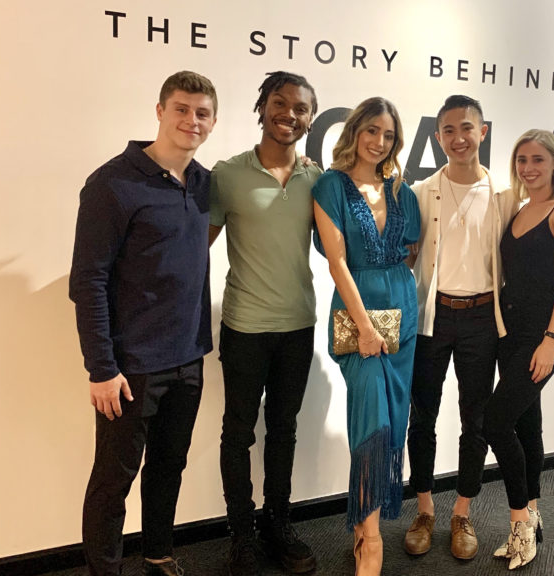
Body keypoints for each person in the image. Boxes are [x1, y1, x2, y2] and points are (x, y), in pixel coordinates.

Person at [69, 70, 218, 576]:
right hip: (129, 369)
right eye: (181, 108)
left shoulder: (204, 184)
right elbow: (87, 281)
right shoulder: (112, 183)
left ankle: (158, 553)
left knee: (168, 468)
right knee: (113, 481)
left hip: (188, 360)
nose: (191, 121)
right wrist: (101, 368)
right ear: (159, 111)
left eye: (202, 113)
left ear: (213, 121)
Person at [209, 71, 321, 576]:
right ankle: (241, 536)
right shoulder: (227, 174)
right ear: (262, 107)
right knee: (238, 433)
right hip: (245, 326)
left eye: (301, 108)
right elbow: (193, 250)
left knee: (284, 430)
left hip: (299, 325)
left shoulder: (317, 179)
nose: (289, 114)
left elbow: (345, 248)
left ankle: (279, 525)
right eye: (281, 103)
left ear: (311, 118)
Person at [404, 95, 517, 560]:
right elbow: (406, 254)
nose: (458, 138)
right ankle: (426, 509)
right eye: (448, 130)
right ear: (437, 137)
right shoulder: (420, 190)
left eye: (466, 128)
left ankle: (462, 513)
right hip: (432, 316)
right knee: (423, 416)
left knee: (476, 419)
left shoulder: (504, 195)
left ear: (483, 131)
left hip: (480, 318)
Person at [312, 97, 421, 576]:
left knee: (395, 420)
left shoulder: (403, 191)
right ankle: (371, 538)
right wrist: (365, 325)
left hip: (403, 311)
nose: (380, 142)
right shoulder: (330, 186)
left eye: (390, 136)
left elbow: (409, 252)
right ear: (355, 131)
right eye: (372, 131)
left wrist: (396, 298)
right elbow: (337, 262)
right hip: (356, 316)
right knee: (370, 415)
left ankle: (364, 524)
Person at [483, 129, 554, 570]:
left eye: (538, 159)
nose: (529, 168)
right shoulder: (520, 210)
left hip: (542, 337)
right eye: (522, 159)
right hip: (510, 333)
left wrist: (551, 340)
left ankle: (520, 522)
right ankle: (535, 512)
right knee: (527, 425)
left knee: (494, 421)